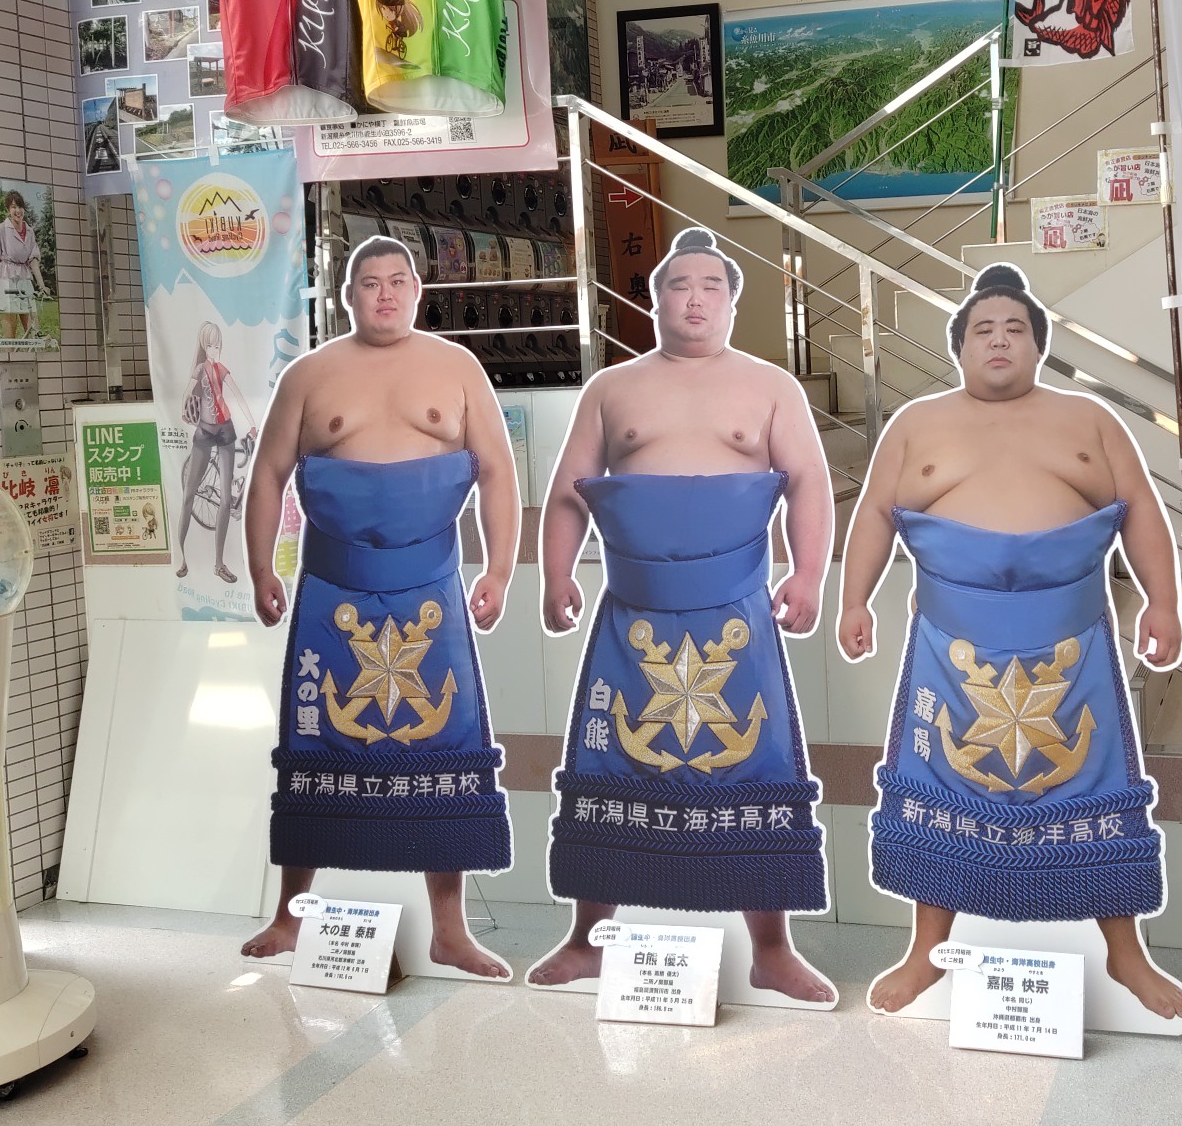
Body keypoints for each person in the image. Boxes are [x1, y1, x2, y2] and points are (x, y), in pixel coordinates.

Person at [840, 263, 1182, 1020]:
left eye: (1015, 329)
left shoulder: (1090, 419)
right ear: (960, 348)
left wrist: (1163, 602)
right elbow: (874, 512)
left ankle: (1126, 952)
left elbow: (1140, 510)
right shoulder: (916, 424)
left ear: (1038, 346)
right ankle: (926, 950)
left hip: (1071, 640)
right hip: (951, 643)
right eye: (983, 330)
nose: (999, 340)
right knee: (940, 788)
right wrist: (853, 599)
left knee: (1094, 786)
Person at [528, 227, 834, 1002]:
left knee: (756, 766)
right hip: (632, 612)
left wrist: (807, 574)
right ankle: (587, 939)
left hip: (736, 611)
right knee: (609, 762)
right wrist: (556, 574)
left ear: (732, 301)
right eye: (678, 284)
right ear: (655, 299)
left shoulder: (771, 386)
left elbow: (807, 480)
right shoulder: (611, 389)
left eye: (710, 286)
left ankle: (772, 949)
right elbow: (569, 491)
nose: (694, 299)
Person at [239, 236, 518, 979]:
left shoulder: (458, 368)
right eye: (370, 283)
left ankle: (450, 930)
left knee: (444, 750)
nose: (385, 293)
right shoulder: (309, 374)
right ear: (347, 296)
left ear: (418, 290)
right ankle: (289, 916)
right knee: (315, 747)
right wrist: (262, 566)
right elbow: (267, 475)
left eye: (398, 281)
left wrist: (498, 569)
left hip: (431, 586)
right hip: (332, 586)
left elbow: (497, 472)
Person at [174, 321, 257, 585]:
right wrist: (185, 410)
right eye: (210, 345)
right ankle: (182, 557)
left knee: (225, 500)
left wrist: (253, 424)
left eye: (217, 345)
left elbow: (238, 395)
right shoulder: (200, 369)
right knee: (188, 494)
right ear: (203, 345)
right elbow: (187, 392)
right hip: (204, 431)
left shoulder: (221, 370)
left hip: (225, 431)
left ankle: (219, 564)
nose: (214, 350)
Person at [0, 190, 51, 342]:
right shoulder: (1, 229)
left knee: (32, 323)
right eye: (13, 207)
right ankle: (10, 350)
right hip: (7, 277)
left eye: (20, 207)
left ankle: (33, 348)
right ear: (8, 210)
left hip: (24, 277)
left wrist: (42, 285)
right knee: (10, 328)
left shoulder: (29, 231)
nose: (18, 211)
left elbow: (33, 260)